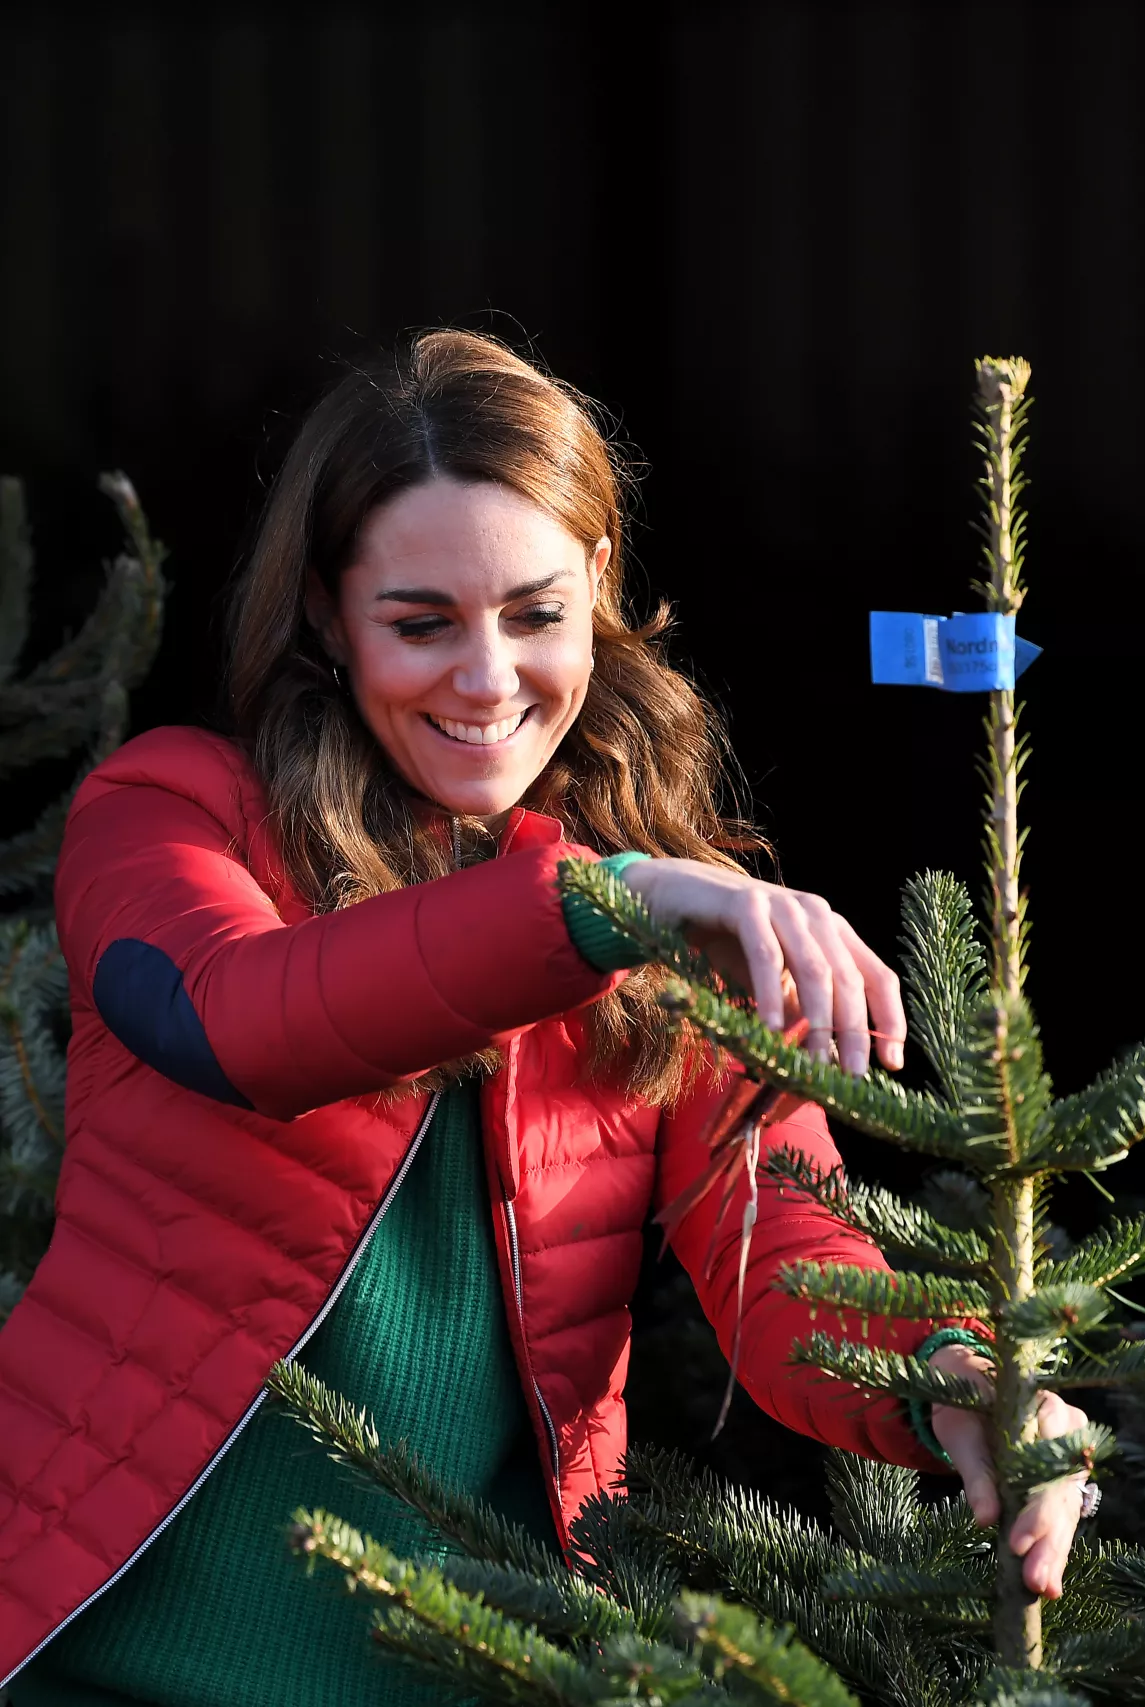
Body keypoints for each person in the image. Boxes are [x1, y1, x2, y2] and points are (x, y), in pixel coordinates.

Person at [0, 331, 1088, 1705]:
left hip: (488, 1664)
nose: (486, 679)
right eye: (420, 621)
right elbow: (236, 1022)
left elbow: (791, 1260)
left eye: (534, 612)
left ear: (599, 595)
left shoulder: (663, 922)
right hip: (106, 1661)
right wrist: (608, 901)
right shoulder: (172, 810)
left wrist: (958, 1372)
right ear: (329, 618)